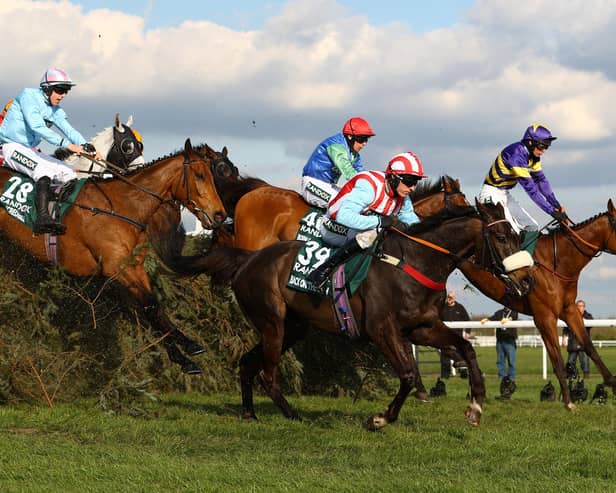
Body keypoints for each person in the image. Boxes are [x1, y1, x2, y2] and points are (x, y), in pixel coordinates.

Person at [0, 68, 98, 235]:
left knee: (68, 172)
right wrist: (68, 145)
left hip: (30, 150)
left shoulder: (56, 110)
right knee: (43, 170)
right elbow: (36, 126)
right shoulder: (28, 95)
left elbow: (69, 129)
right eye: (59, 90)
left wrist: (86, 146)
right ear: (46, 88)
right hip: (10, 146)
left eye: (66, 91)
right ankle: (42, 218)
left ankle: (57, 216)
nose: (63, 95)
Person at [306, 151, 425, 288]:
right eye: (409, 182)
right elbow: (343, 216)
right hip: (333, 226)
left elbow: (413, 223)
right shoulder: (369, 186)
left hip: (358, 230)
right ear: (393, 177)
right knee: (372, 233)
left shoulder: (404, 198)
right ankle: (323, 270)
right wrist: (379, 221)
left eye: (415, 182)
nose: (413, 188)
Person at [478, 123, 568, 234]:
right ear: (530, 142)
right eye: (542, 146)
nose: (543, 151)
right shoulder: (516, 154)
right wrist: (551, 211)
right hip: (490, 194)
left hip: (505, 194)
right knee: (512, 232)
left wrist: (556, 205)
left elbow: (541, 181)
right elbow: (531, 190)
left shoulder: (533, 157)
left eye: (546, 147)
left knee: (532, 227)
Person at [301, 117, 375, 208]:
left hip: (329, 186)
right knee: (348, 206)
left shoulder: (354, 155)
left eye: (366, 139)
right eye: (362, 139)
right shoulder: (336, 146)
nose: (364, 143)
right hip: (312, 185)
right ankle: (322, 222)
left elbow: (362, 174)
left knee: (361, 203)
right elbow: (348, 171)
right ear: (350, 136)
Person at [482, 306, 519, 396]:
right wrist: (487, 319)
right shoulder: (499, 312)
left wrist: (508, 320)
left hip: (509, 340)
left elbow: (512, 317)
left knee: (511, 361)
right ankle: (501, 377)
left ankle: (511, 378)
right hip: (500, 340)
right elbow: (493, 318)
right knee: (500, 360)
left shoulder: (514, 311)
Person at [439, 291, 471, 378]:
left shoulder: (460, 308)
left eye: (451, 297)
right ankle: (445, 376)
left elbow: (467, 320)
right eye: (448, 297)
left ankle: (463, 374)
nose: (449, 299)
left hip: (458, 337)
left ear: (454, 298)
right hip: (445, 337)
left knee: (460, 355)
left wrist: (468, 332)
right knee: (445, 356)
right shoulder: (442, 308)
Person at [563, 299, 594, 379]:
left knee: (584, 361)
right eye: (579, 306)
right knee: (570, 361)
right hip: (573, 342)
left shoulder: (588, 317)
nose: (581, 308)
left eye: (582, 306)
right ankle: (570, 376)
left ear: (584, 307)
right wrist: (564, 338)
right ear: (576, 307)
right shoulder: (570, 315)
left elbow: (591, 324)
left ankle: (586, 376)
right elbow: (565, 328)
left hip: (583, 343)